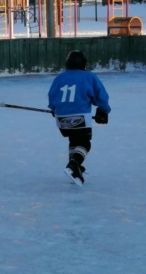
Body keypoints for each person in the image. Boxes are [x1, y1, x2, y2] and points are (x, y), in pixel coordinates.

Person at [47, 50, 111, 187]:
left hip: (61, 119)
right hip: (80, 117)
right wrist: (104, 111)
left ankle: (74, 165)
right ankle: (74, 164)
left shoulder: (59, 77)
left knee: (74, 140)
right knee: (85, 143)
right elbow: (101, 97)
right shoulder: (89, 77)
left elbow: (52, 96)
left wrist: (54, 109)